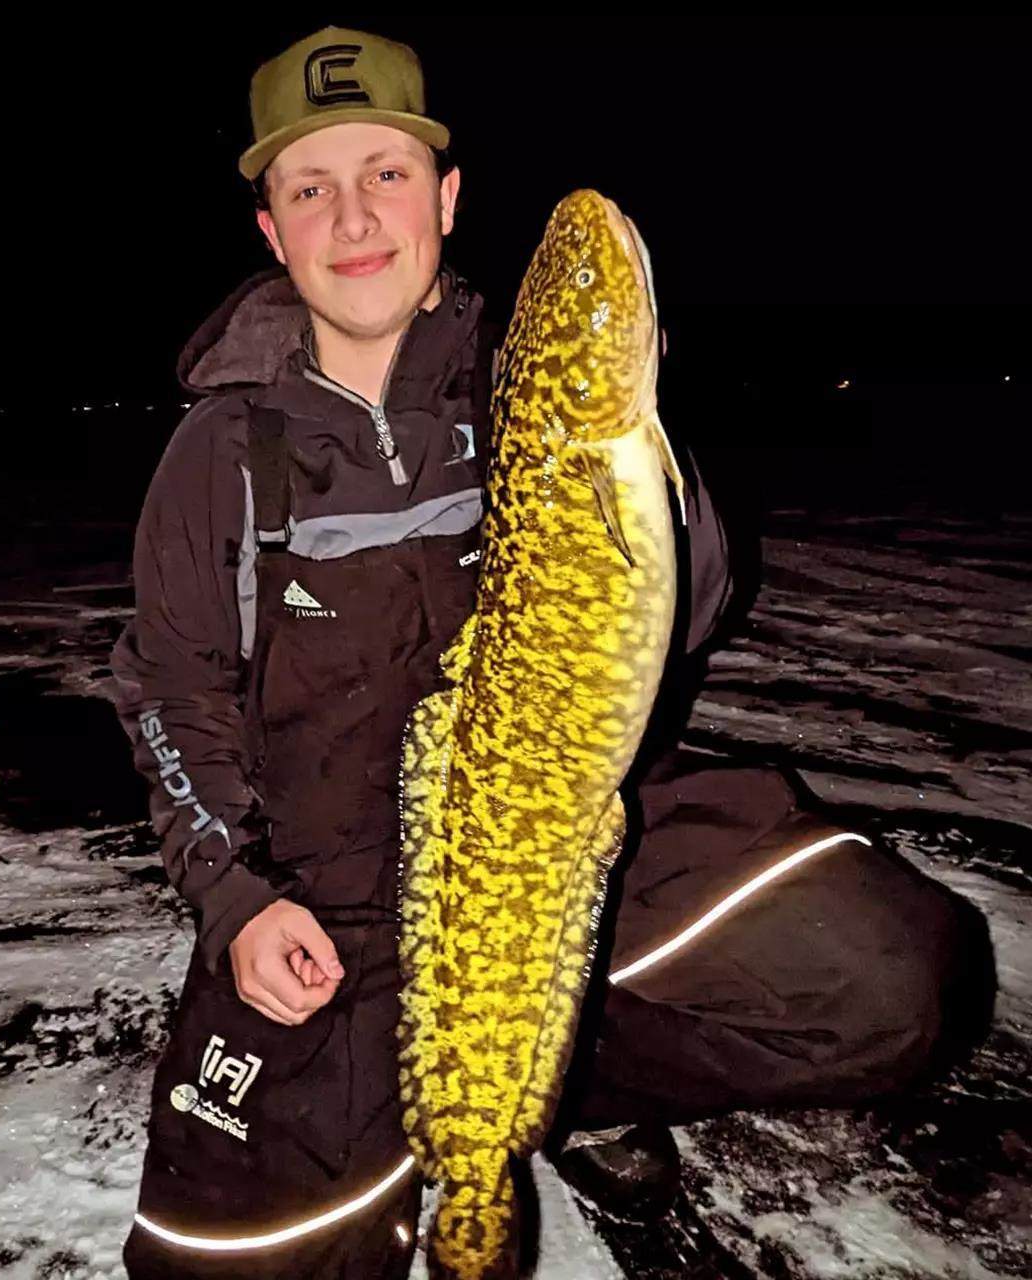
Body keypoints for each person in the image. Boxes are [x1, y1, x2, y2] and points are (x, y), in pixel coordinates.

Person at [108, 24, 997, 1279]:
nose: (354, 215)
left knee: (896, 977)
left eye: (388, 175)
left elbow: (690, 609)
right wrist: (241, 903)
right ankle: (435, 1123)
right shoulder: (218, 460)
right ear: (271, 230)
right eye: (312, 187)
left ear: (447, 197)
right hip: (334, 905)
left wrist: (641, 452)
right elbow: (169, 697)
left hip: (574, 824)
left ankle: (575, 1087)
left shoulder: (514, 386)